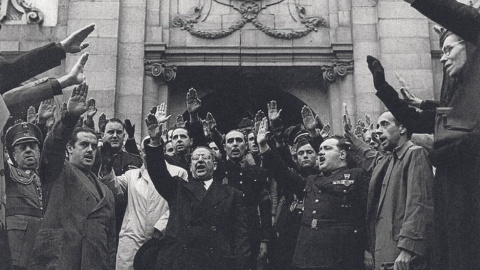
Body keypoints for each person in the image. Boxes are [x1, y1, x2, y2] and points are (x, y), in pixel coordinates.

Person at [143, 112, 250, 270]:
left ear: (214, 165)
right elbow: (158, 172)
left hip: (215, 262)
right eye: (195, 158)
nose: (200, 160)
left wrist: (241, 265)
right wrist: (155, 140)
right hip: (180, 262)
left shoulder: (232, 194)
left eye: (205, 158)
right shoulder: (178, 189)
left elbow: (241, 237)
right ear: (190, 166)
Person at [258, 117, 368, 270]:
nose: (321, 153)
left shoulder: (356, 175)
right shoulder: (311, 180)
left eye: (327, 149)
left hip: (340, 255)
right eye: (320, 150)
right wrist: (264, 146)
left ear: (343, 155)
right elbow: (283, 173)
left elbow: (366, 214)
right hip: (308, 256)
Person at [29, 83, 116, 270]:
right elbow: (53, 147)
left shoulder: (106, 192)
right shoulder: (58, 170)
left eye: (93, 146)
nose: (90, 150)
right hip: (60, 261)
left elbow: (111, 243)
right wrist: (70, 118)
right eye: (84, 145)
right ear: (69, 148)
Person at [346, 111, 434, 270]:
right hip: (385, 253)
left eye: (385, 124)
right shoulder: (386, 159)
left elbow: (420, 204)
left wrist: (408, 249)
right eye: (377, 126)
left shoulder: (415, 153)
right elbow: (368, 157)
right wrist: (351, 136)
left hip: (402, 256)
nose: (378, 130)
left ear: (402, 128)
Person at [99, 135, 188, 270]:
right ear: (140, 153)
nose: (147, 153)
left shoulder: (178, 173)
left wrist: (161, 227)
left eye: (151, 148)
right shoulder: (131, 175)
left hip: (162, 238)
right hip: (132, 238)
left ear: (161, 150)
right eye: (144, 150)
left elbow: (179, 203)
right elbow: (113, 189)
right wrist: (106, 168)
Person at [222, 129, 271, 270]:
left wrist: (265, 239)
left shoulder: (257, 173)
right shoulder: (218, 171)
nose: (235, 144)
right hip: (225, 235)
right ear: (225, 147)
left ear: (246, 146)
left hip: (252, 233)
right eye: (230, 141)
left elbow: (265, 207)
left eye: (239, 140)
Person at [3, 122, 43, 270]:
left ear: (39, 151)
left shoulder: (47, 177)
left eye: (32, 147)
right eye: (22, 148)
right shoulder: (8, 174)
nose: (28, 151)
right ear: (14, 155)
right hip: (18, 253)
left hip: (46, 252)